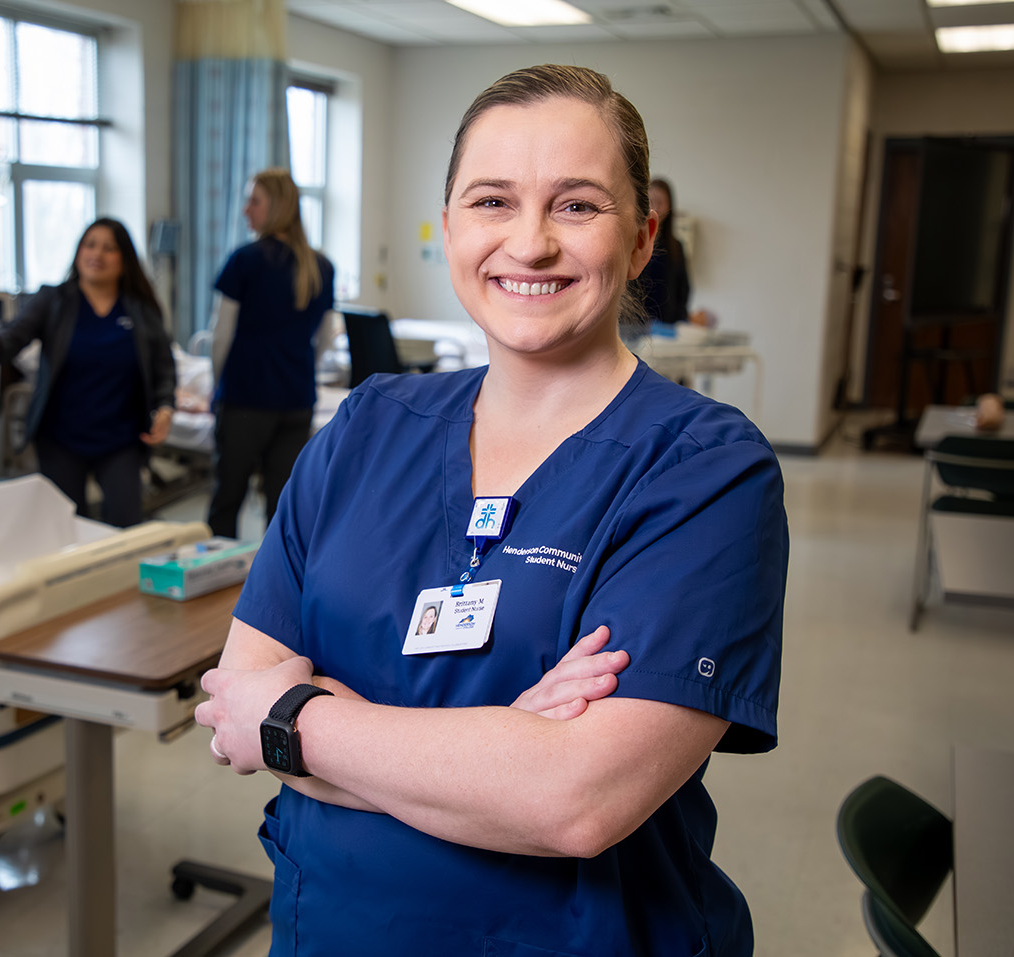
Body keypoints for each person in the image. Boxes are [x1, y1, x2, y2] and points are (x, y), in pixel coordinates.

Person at [195, 64, 787, 956]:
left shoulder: (705, 470)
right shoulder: (366, 428)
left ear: (641, 240)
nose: (531, 242)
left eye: (577, 205)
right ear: (451, 226)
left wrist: (300, 720)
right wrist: (507, 746)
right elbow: (237, 709)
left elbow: (575, 801)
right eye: (492, 202)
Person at [0, 218, 175, 527]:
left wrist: (165, 407)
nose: (97, 254)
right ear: (78, 252)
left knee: (126, 524)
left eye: (109, 248)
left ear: (124, 259)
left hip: (120, 439)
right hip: (61, 439)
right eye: (90, 245)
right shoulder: (54, 301)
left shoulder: (141, 310)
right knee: (66, 527)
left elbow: (163, 366)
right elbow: (15, 334)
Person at [206, 168, 335, 539]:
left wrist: (218, 386)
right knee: (282, 506)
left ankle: (218, 570)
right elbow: (326, 338)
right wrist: (298, 366)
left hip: (244, 399)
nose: (246, 209)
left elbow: (221, 336)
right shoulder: (321, 266)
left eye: (254, 201)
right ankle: (274, 575)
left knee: (228, 498)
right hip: (296, 399)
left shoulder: (245, 260)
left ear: (277, 206)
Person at [639, 176, 692, 327]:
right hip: (634, 325)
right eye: (651, 201)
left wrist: (679, 318)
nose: (655, 208)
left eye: (660, 202)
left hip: (666, 325)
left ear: (669, 206)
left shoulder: (676, 246)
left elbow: (683, 287)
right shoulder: (633, 242)